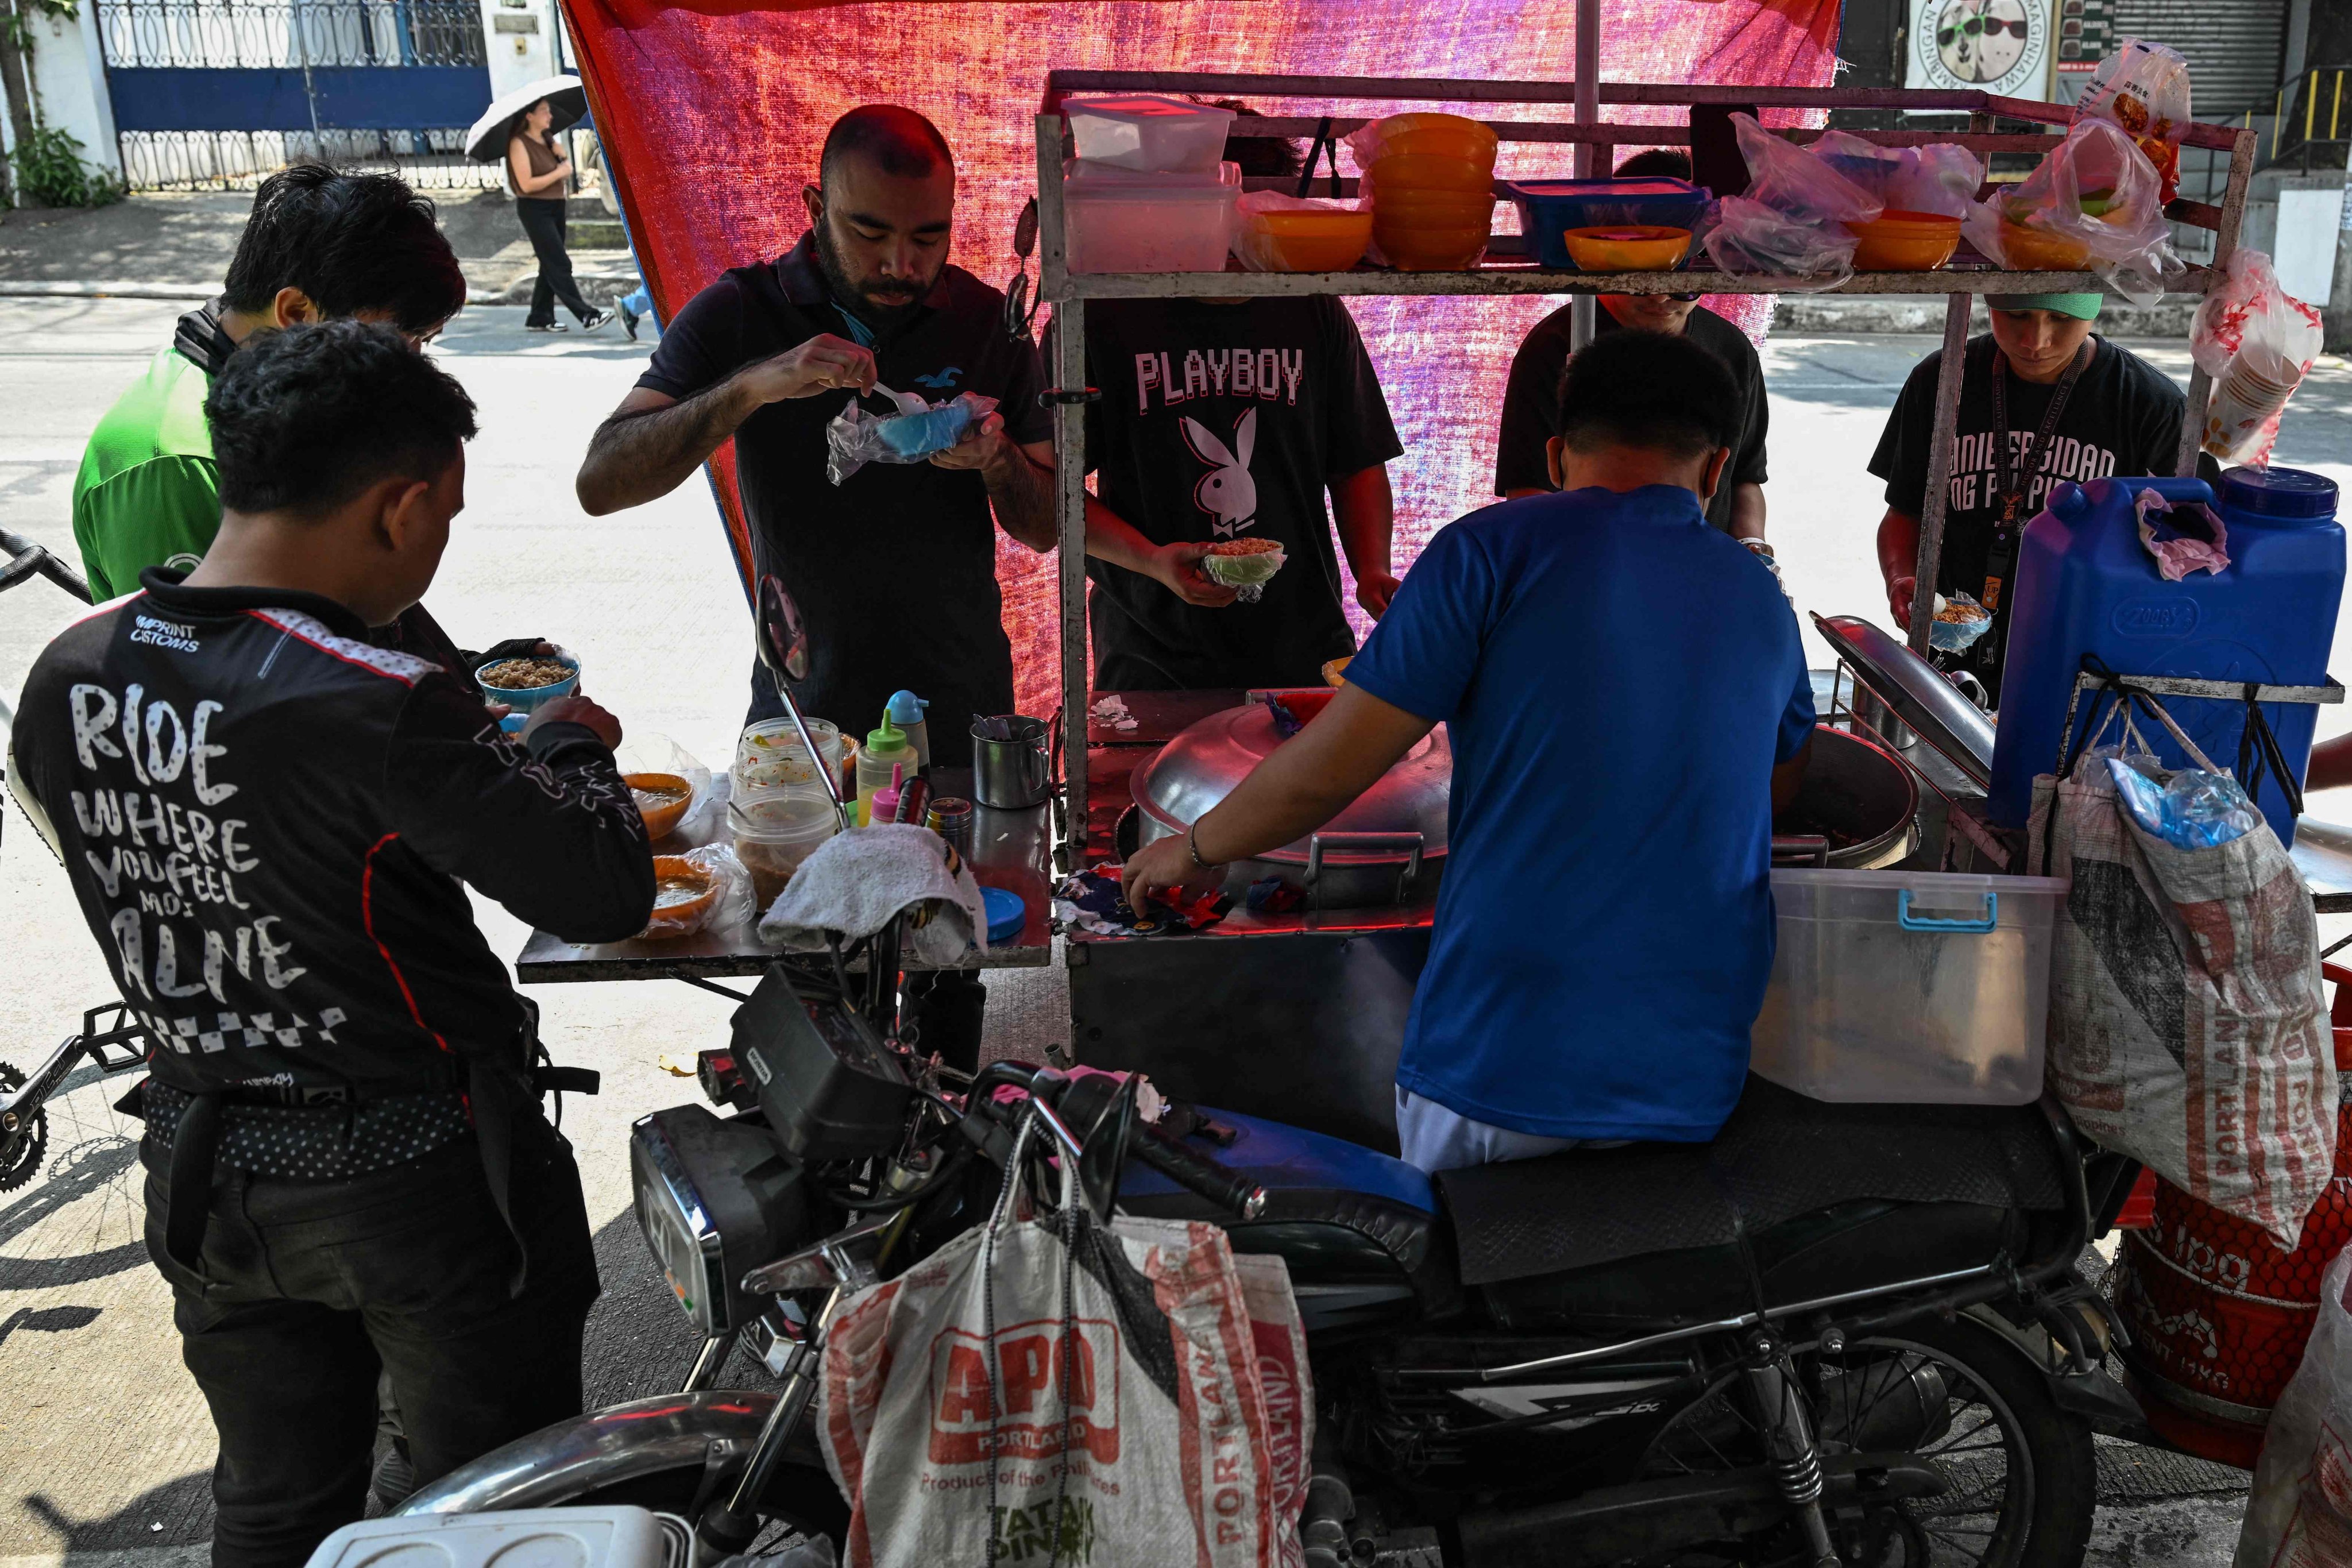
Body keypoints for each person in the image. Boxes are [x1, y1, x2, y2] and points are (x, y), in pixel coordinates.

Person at [8, 321, 655, 1566]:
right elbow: (601, 889)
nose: (440, 543)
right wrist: (568, 739)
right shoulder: (381, 700)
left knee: (273, 1506)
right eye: (446, 515)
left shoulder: (68, 669)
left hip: (205, 1170)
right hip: (414, 1179)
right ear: (402, 505)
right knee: (482, 1509)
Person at [1123, 329, 1814, 1172]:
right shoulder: (1759, 596)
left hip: (1505, 1055)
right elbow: (1771, 787)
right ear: (1714, 471)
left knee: (1458, 1277)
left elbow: (1333, 767)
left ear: (1557, 456)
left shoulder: (1489, 550)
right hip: (1694, 1071)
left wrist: (1190, 849)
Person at [575, 103, 1055, 1073]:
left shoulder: (982, 323)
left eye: (927, 237)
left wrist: (998, 463)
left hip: (957, 708)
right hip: (804, 719)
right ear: (814, 206)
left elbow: (1048, 525)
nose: (899, 264)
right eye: (868, 232)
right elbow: (603, 480)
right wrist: (755, 387)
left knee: (945, 979)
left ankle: (931, 1186)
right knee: (812, 990)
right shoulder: (745, 313)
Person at [1069, 106, 1405, 690]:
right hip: (1153, 649)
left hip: (1300, 640)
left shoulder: (1311, 305)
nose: (1228, 252)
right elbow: (1056, 497)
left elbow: (1356, 460)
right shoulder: (1104, 313)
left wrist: (1372, 567)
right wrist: (1152, 560)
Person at [71, 163, 470, 602]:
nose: (411, 365)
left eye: (425, 342)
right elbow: (189, 657)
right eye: (399, 339)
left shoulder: (309, 399)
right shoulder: (179, 459)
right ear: (297, 313)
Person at [1870, 291, 2212, 703]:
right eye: (2016, 315)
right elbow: (1904, 512)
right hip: (1952, 648)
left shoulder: (2148, 403)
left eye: (2061, 319)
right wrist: (1900, 579)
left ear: (2092, 313)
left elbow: (2193, 550)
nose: (2035, 340)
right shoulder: (1941, 380)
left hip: (2084, 659)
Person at [1494, 149, 1771, 550]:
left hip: (1701, 569)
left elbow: (1745, 475)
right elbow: (1528, 491)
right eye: (1639, 276)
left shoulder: (1730, 349)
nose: (1659, 297)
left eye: (1681, 278)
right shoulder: (1555, 346)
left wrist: (1753, 550)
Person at [508, 99, 613, 334]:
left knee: (549, 263)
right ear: (529, 116)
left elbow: (563, 173)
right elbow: (526, 185)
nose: (550, 115)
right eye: (544, 111)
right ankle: (587, 315)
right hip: (535, 209)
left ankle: (539, 316)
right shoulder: (518, 143)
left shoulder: (548, 139)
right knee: (559, 262)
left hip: (556, 206)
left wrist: (561, 157)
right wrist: (560, 171)